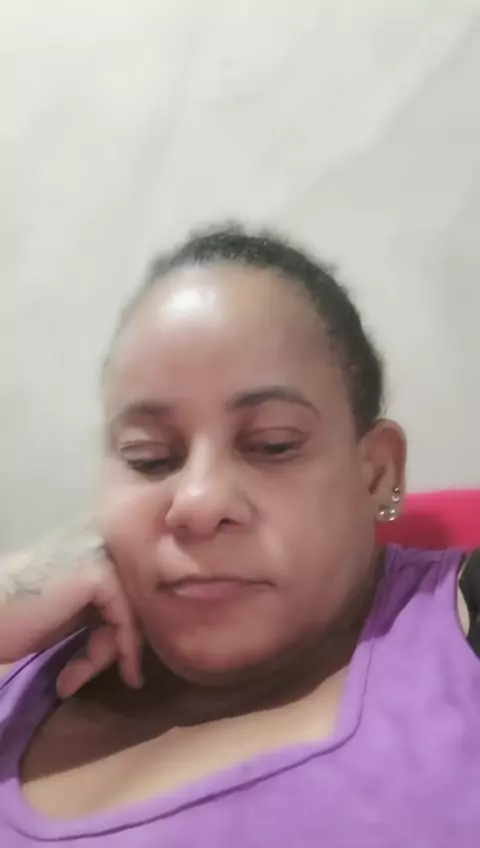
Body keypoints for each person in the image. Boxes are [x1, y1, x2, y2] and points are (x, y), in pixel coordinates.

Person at [0, 225, 478, 846]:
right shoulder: (21, 657)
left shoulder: (459, 632)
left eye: (272, 445)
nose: (198, 503)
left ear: (376, 473)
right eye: (149, 456)